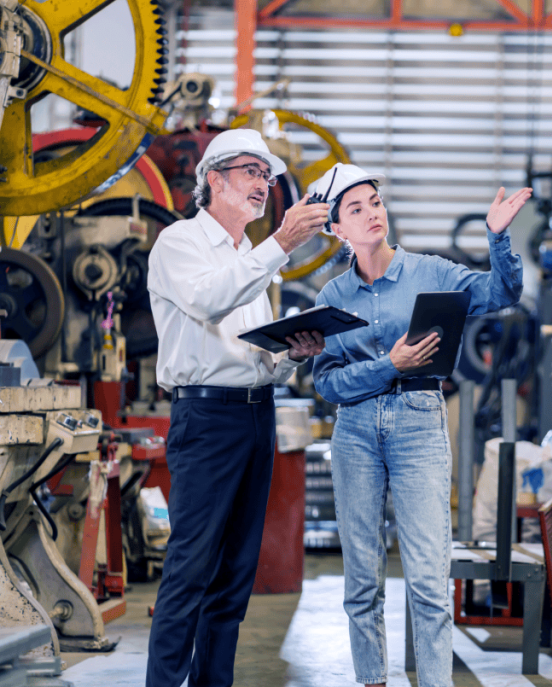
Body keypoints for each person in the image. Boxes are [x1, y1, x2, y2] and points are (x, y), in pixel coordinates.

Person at [311, 163, 530, 687]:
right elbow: (329, 386)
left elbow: (502, 294)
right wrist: (390, 364)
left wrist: (498, 237)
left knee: (429, 580)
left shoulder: (433, 273)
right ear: (336, 230)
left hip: (418, 421)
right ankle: (373, 681)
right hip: (355, 431)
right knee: (362, 581)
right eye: (355, 209)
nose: (371, 215)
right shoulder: (329, 300)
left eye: (375, 203)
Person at [146, 129, 330, 687]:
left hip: (255, 415)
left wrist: (292, 357)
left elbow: (256, 354)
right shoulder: (179, 243)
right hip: (207, 420)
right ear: (214, 179)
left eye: (266, 176)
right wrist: (281, 243)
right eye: (252, 171)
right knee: (191, 569)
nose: (263, 184)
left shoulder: (251, 257)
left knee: (234, 575)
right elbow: (208, 300)